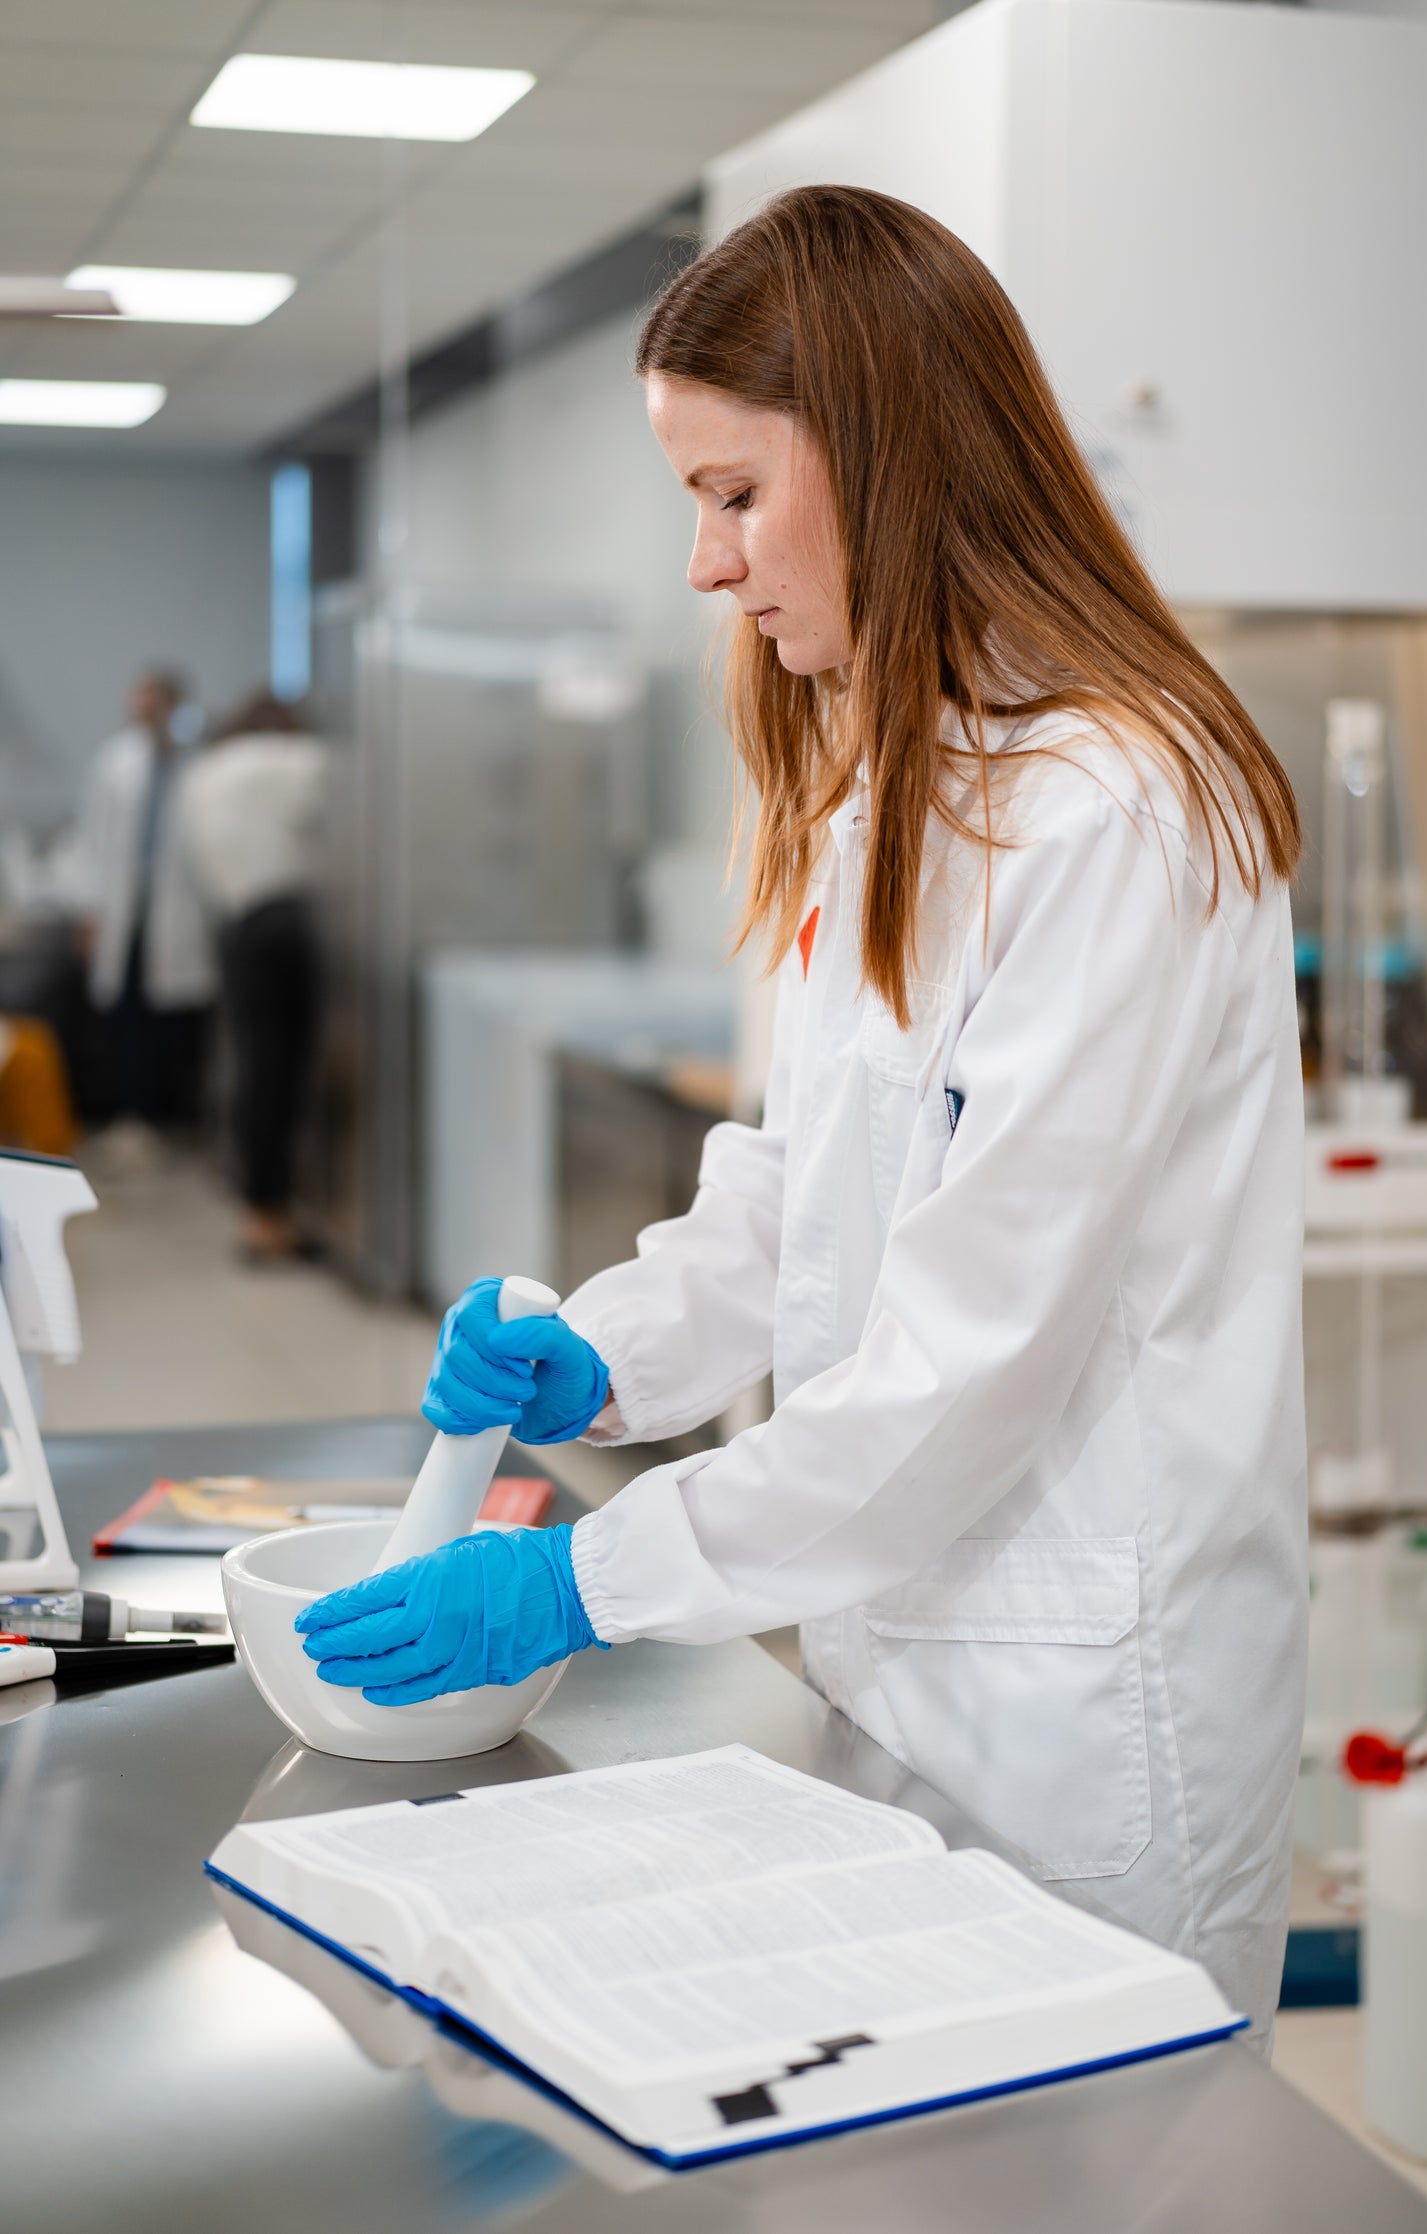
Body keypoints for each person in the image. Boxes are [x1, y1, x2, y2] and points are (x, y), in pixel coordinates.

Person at [296, 188, 1308, 2048]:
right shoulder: (894, 788)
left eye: (734, 494)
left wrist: (583, 1577)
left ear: (888, 453)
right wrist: (603, 1360)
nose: (707, 564)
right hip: (896, 1665)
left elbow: (967, 1359)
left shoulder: (1113, 812)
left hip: (1083, 1724)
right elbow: (798, 1197)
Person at [177, 689, 326, 1261]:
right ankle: (267, 1217)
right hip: (283, 921)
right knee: (280, 1073)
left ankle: (261, 1211)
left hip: (237, 927)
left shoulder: (206, 773)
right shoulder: (295, 758)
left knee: (254, 1066)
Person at [78, 668, 214, 1149]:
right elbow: (95, 840)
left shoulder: (195, 764)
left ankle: (174, 1120)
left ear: (173, 705)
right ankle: (135, 1118)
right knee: (129, 1016)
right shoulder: (115, 762)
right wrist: (89, 910)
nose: (142, 708)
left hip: (177, 913)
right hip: (125, 911)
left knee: (175, 1021)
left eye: (152, 700)